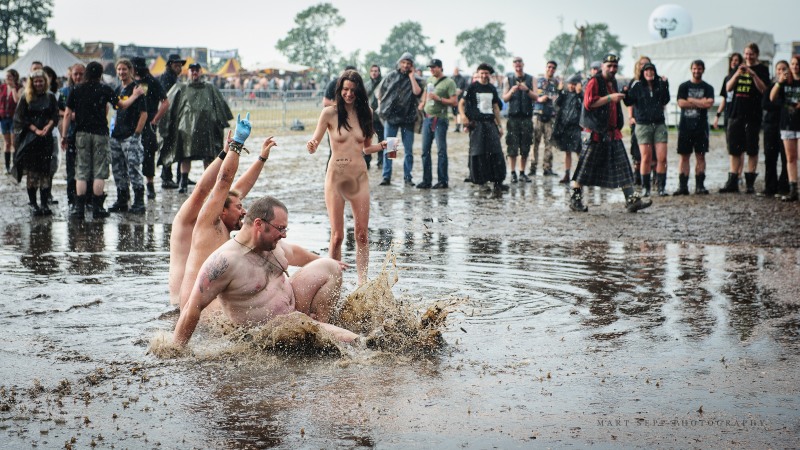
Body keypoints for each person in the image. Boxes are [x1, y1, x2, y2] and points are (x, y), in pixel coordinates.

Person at [173, 196, 358, 347]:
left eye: (285, 229)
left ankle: (321, 324)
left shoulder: (271, 244)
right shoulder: (225, 261)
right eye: (280, 228)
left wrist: (330, 260)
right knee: (355, 342)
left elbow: (295, 253)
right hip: (269, 332)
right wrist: (176, 349)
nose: (284, 234)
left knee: (329, 267)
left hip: (295, 307)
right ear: (259, 224)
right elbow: (192, 308)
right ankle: (341, 337)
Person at [169, 115, 276, 306]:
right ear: (221, 210)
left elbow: (238, 191)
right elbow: (203, 189)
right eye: (239, 208)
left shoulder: (221, 220)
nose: (244, 213)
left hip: (204, 302)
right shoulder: (189, 221)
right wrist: (227, 152)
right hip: (181, 305)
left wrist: (261, 158)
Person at [307, 70, 384, 285]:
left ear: (359, 91)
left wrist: (383, 146)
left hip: (359, 177)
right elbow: (315, 141)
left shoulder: (366, 112)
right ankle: (332, 284)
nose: (349, 94)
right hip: (336, 178)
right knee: (338, 236)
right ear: (340, 91)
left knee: (362, 235)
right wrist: (312, 145)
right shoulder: (329, 113)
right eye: (345, 90)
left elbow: (367, 149)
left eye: (353, 90)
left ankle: (362, 284)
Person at [61, 62, 144, 219]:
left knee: (82, 171)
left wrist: (64, 136)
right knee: (99, 171)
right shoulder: (104, 89)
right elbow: (122, 105)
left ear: (86, 74)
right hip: (100, 133)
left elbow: (66, 115)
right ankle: (97, 208)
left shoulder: (76, 90)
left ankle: (79, 210)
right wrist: (135, 95)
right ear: (100, 74)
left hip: (81, 134)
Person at [569, 54, 651, 213]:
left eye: (615, 66)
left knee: (623, 166)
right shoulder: (594, 81)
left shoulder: (613, 82)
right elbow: (589, 104)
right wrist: (610, 97)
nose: (612, 69)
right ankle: (575, 199)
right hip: (595, 132)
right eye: (609, 66)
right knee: (584, 168)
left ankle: (631, 199)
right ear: (602, 66)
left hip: (612, 132)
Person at [159, 62, 233, 194]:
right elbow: (168, 106)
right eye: (192, 70)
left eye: (196, 70)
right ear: (188, 72)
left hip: (206, 130)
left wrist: (218, 123)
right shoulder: (181, 88)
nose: (194, 72)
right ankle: (183, 182)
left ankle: (210, 183)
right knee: (185, 156)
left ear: (200, 72)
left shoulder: (210, 88)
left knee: (209, 157)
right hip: (186, 131)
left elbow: (220, 107)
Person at [720, 43, 769, 194]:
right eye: (746, 54)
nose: (748, 56)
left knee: (752, 149)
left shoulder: (762, 70)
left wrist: (752, 74)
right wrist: (737, 74)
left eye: (751, 54)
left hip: (753, 115)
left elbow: (764, 90)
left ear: (757, 54)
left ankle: (750, 183)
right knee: (735, 149)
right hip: (736, 113)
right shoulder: (738, 68)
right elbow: (728, 88)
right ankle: (733, 181)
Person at [12, 69, 58, 216]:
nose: (38, 83)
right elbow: (21, 118)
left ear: (45, 81)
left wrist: (47, 127)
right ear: (32, 83)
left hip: (46, 139)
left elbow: (55, 115)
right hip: (30, 141)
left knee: (46, 171)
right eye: (36, 81)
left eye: (41, 81)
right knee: (32, 173)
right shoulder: (26, 97)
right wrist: (35, 130)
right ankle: (33, 203)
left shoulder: (50, 97)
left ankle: (44, 203)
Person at [458, 62, 507, 196]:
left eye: (486, 73)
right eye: (482, 73)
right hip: (477, 124)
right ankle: (481, 182)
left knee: (495, 151)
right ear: (478, 74)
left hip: (490, 122)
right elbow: (461, 104)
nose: (484, 76)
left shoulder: (492, 88)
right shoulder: (472, 87)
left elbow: (496, 107)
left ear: (489, 75)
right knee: (478, 152)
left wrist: (499, 125)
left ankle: (497, 181)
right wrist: (463, 117)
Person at [624, 62, 670, 197]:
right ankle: (646, 188)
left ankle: (661, 187)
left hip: (659, 123)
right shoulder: (638, 86)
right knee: (646, 157)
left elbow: (665, 100)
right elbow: (628, 101)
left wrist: (666, 85)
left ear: (655, 72)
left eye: (651, 70)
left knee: (662, 157)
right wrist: (625, 92)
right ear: (643, 73)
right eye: (646, 71)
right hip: (643, 124)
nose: (649, 73)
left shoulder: (659, 85)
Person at [107, 59, 148, 214]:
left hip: (130, 136)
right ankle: (122, 200)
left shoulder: (137, 90)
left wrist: (136, 135)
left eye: (124, 69)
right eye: (119, 69)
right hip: (116, 136)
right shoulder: (118, 89)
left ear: (130, 70)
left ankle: (139, 201)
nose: (121, 72)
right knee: (118, 169)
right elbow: (117, 110)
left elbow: (144, 114)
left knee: (133, 168)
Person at [377, 52, 423, 186]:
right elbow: (380, 93)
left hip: (408, 118)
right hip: (391, 118)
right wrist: (383, 108)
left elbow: (417, 92)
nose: (406, 65)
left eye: (408, 63)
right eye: (404, 62)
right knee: (390, 149)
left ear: (412, 65)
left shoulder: (416, 78)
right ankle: (386, 176)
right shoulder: (391, 76)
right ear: (399, 63)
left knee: (408, 150)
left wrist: (412, 77)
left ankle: (407, 177)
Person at [674, 60, 715, 195]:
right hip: (685, 126)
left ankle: (700, 186)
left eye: (699, 69)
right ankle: (683, 186)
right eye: (695, 68)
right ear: (691, 69)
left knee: (700, 156)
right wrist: (700, 102)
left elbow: (709, 103)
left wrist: (690, 100)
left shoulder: (708, 87)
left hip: (701, 127)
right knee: (684, 156)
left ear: (703, 70)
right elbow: (681, 103)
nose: (697, 71)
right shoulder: (684, 86)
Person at [131, 57, 169, 200]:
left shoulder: (152, 81)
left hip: (148, 124)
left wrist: (155, 119)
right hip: (133, 124)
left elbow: (165, 102)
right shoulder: (132, 83)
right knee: (132, 155)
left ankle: (149, 186)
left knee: (148, 154)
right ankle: (135, 187)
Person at [417, 59, 457, 189]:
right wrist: (422, 103)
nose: (432, 70)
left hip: (440, 119)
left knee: (441, 151)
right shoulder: (429, 80)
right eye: (430, 68)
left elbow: (454, 101)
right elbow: (425, 94)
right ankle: (426, 180)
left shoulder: (449, 82)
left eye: (434, 67)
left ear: (440, 68)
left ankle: (442, 180)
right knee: (425, 151)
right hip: (427, 118)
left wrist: (438, 98)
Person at [502, 56, 536, 184]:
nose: (518, 65)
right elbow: (504, 99)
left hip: (526, 117)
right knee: (512, 146)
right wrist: (512, 91)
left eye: (520, 62)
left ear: (523, 64)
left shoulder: (531, 78)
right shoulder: (508, 79)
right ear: (513, 65)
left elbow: (536, 97)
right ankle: (512, 172)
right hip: (513, 117)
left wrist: (526, 89)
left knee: (525, 146)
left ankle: (522, 172)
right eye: (515, 63)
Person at [770, 56, 800, 201]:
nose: (795, 66)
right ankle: (793, 189)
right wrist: (779, 83)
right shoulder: (785, 82)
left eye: (797, 64)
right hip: (787, 124)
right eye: (793, 64)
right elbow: (771, 97)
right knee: (790, 158)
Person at [58, 63, 85, 213]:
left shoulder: (89, 90)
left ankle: (86, 199)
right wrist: (70, 115)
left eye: (81, 74)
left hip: (86, 134)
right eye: (76, 74)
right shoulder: (64, 91)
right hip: (70, 133)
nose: (78, 77)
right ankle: (71, 199)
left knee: (86, 169)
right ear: (71, 74)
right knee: (71, 169)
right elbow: (59, 110)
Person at [761, 60, 790, 197]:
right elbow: (765, 104)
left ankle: (784, 186)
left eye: (784, 69)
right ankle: (770, 187)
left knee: (786, 158)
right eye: (778, 69)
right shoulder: (770, 87)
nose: (781, 72)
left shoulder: (790, 88)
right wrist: (781, 106)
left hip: (786, 126)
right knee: (770, 157)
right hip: (770, 126)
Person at [157, 54, 185, 190]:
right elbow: (168, 98)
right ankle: (166, 178)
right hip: (168, 118)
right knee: (168, 146)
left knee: (175, 146)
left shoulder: (173, 77)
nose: (179, 67)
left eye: (180, 65)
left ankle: (179, 176)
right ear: (169, 65)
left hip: (173, 117)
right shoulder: (167, 78)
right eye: (176, 65)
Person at [625, 56, 652, 187]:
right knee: (636, 149)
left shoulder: (653, 82)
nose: (644, 66)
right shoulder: (634, 82)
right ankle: (637, 176)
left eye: (646, 64)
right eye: (642, 64)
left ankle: (651, 176)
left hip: (651, 120)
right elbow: (630, 102)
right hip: (637, 119)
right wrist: (631, 116)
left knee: (650, 149)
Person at [531, 60, 560, 177]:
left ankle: (547, 168)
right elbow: (532, 95)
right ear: (546, 68)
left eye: (553, 68)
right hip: (538, 115)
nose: (551, 69)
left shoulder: (556, 83)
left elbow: (558, 99)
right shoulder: (538, 81)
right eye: (549, 67)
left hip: (550, 117)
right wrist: (539, 99)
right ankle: (532, 168)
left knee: (549, 143)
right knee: (534, 143)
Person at [552, 73, 583, 184]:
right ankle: (567, 173)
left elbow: (584, 106)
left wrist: (580, 94)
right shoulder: (564, 95)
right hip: (565, 127)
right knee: (567, 152)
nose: (571, 86)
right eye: (570, 84)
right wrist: (559, 91)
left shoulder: (581, 96)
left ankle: (582, 174)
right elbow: (556, 104)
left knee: (579, 151)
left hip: (576, 127)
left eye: (574, 84)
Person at [712, 53, 743, 132]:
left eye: (736, 60)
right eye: (732, 60)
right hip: (728, 114)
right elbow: (725, 99)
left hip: (740, 115)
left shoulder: (744, 78)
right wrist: (717, 115)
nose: (733, 62)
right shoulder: (727, 78)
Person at [1, 69, 22, 174]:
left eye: (9, 76)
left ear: (14, 77)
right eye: (6, 76)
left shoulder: (18, 87)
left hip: (14, 118)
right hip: (3, 117)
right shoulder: (2, 87)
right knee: (7, 142)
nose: (7, 78)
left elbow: (16, 100)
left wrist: (13, 87)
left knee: (14, 143)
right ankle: (7, 167)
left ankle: (15, 166)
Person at [365, 64, 384, 168]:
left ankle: (381, 162)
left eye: (376, 71)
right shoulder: (366, 85)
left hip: (380, 117)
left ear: (379, 72)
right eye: (372, 71)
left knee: (381, 139)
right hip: (369, 117)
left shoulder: (383, 84)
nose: (374, 72)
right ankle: (366, 161)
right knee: (367, 140)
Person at [451, 67, 469, 132]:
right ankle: (456, 125)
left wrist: (461, 91)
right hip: (453, 97)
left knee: (458, 112)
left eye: (457, 70)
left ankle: (458, 126)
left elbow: (466, 87)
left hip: (460, 98)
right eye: (455, 70)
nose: (455, 72)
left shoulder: (463, 79)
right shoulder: (451, 78)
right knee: (453, 112)